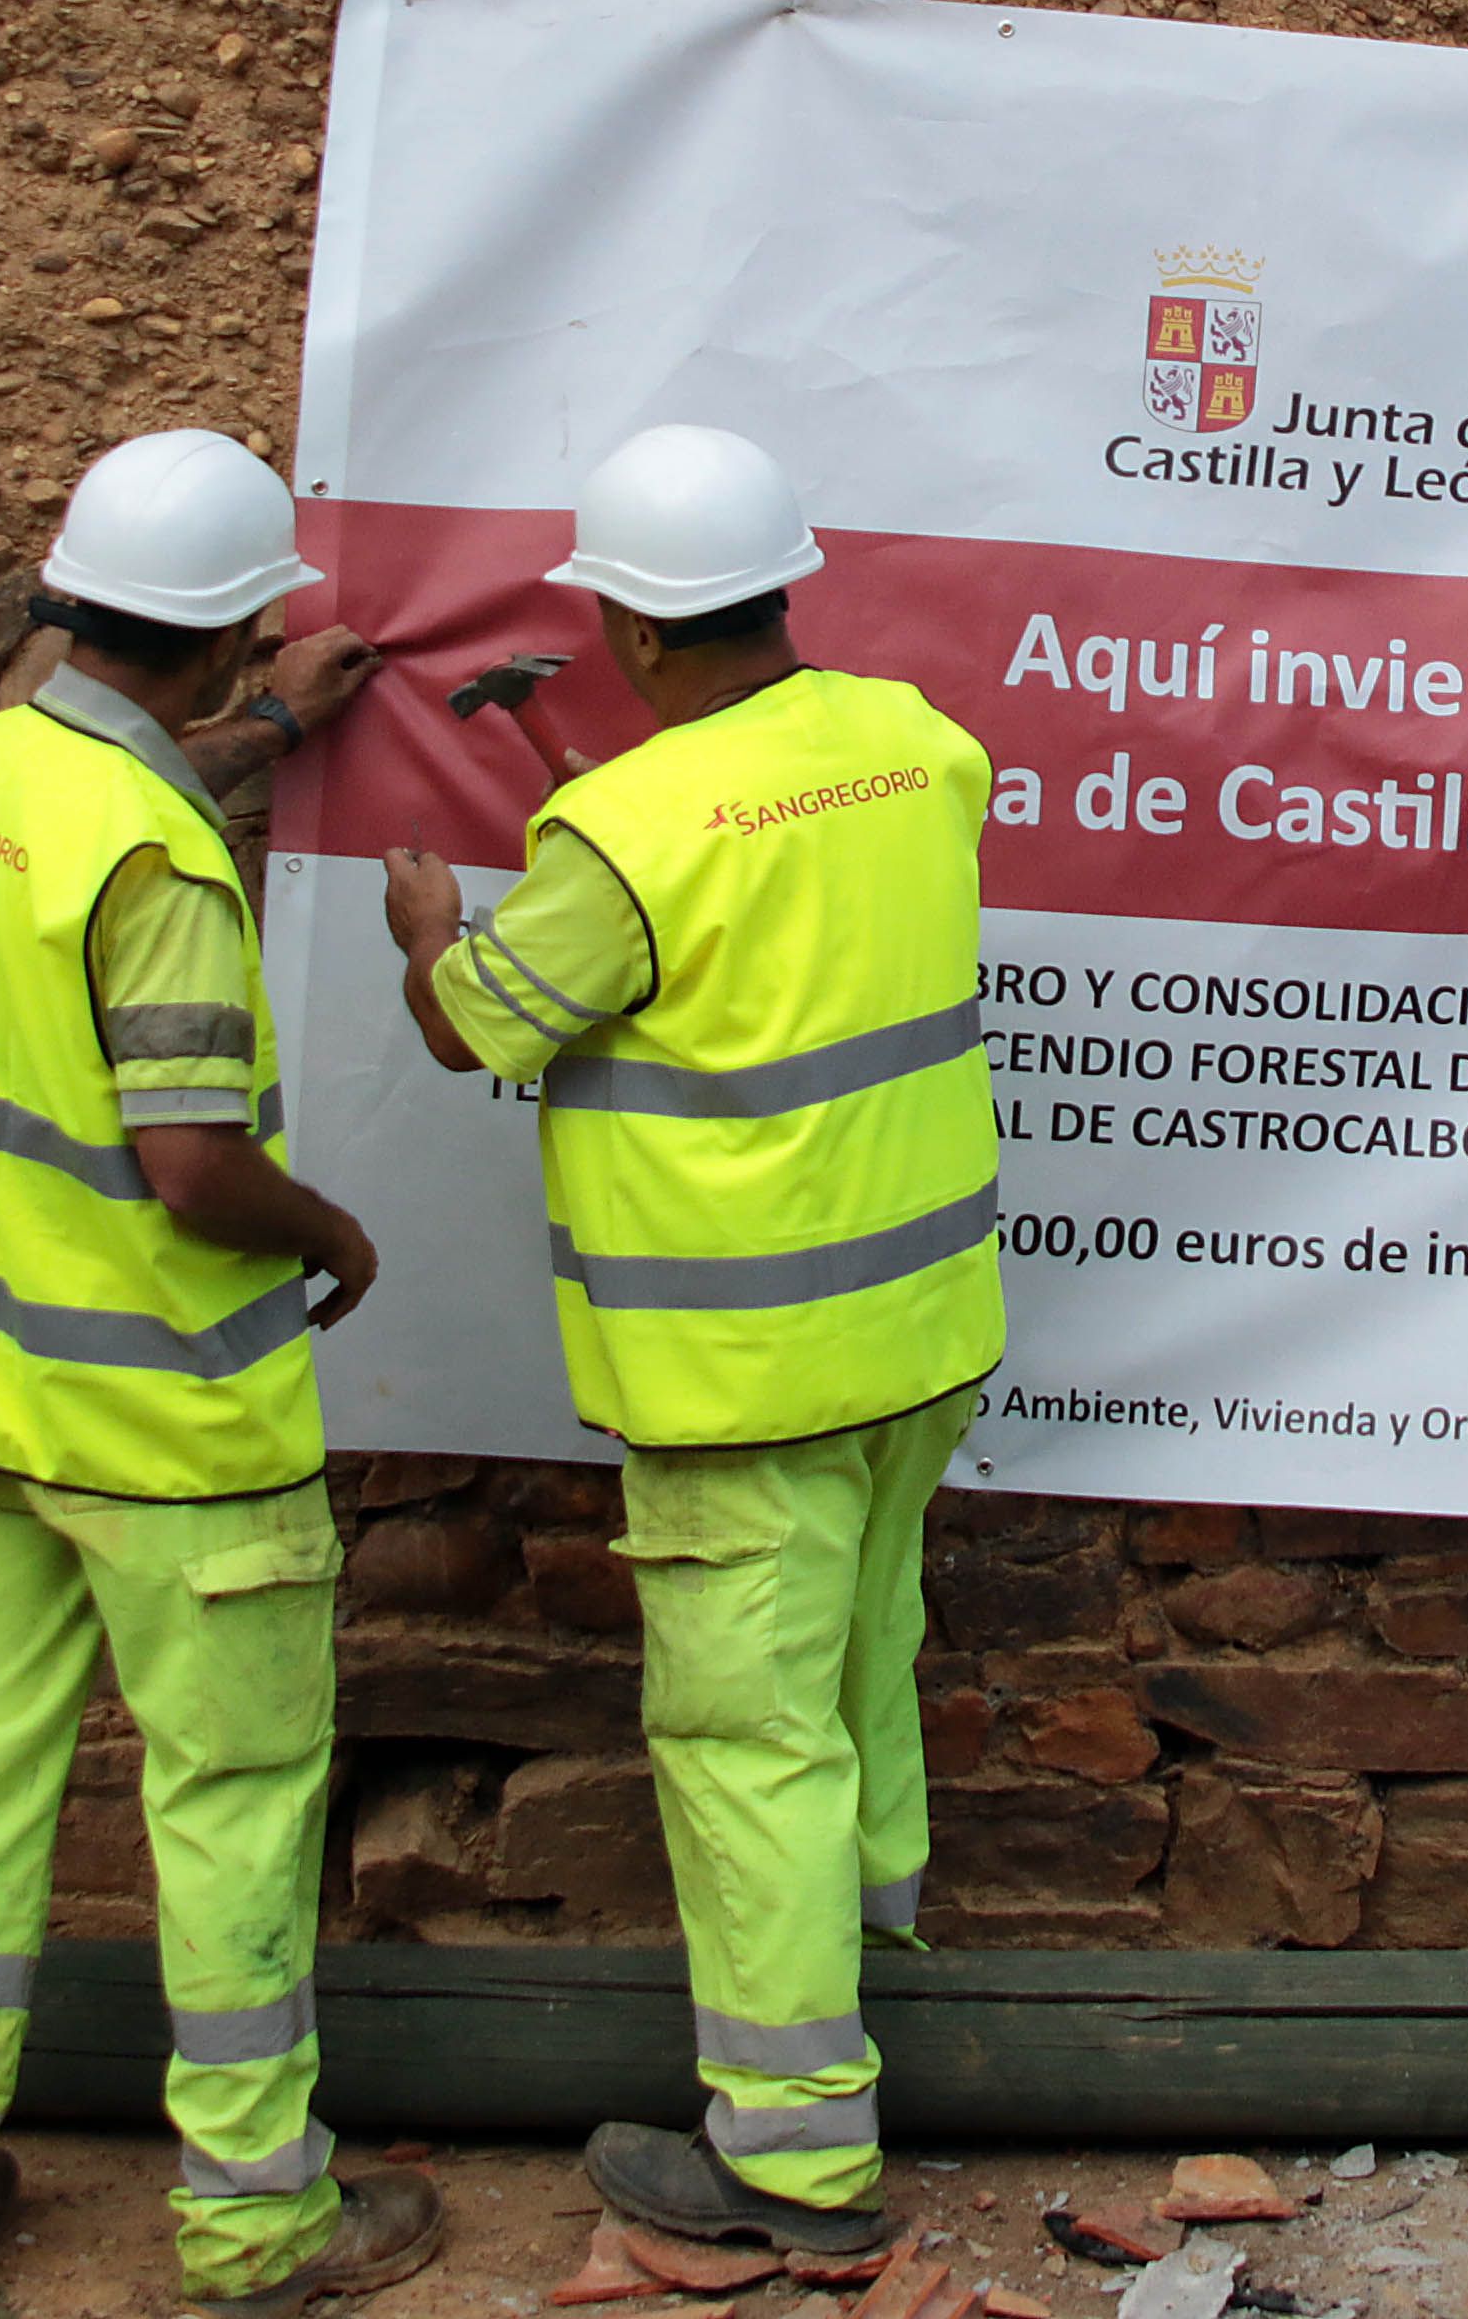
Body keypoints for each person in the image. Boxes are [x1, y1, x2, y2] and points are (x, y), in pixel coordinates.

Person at [0, 427, 443, 2318]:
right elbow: (191, 1162)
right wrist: (330, 1228)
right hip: (164, 1426)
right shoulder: (162, 863)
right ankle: (259, 2224)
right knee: (233, 1804)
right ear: (234, 629)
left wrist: (260, 733)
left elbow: (113, 810)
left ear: (75, 598)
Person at [377, 423, 1004, 2260]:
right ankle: (893, 2000)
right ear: (780, 588)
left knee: (746, 1740)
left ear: (631, 630)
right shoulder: (913, 743)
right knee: (859, 1670)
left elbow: (477, 1027)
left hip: (745, 1381)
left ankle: (799, 2161)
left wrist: (431, 928)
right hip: (918, 1333)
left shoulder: (624, 832)